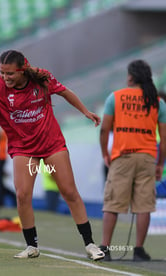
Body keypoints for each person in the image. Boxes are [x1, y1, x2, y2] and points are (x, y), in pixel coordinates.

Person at [0, 49, 104, 260]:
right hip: (23, 147)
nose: (5, 77)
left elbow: (65, 92)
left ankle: (90, 244)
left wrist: (85, 112)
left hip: (51, 145)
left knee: (69, 191)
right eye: (2, 72)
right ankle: (32, 246)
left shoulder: (42, 78)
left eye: (10, 73)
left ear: (22, 70)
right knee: (22, 195)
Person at [99, 59, 166, 261]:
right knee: (144, 205)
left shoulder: (116, 97)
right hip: (147, 157)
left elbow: (104, 129)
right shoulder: (158, 101)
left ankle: (105, 248)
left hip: (123, 156)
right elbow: (164, 140)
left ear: (130, 77)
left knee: (113, 203)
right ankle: (138, 250)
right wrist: (160, 164)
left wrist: (105, 153)